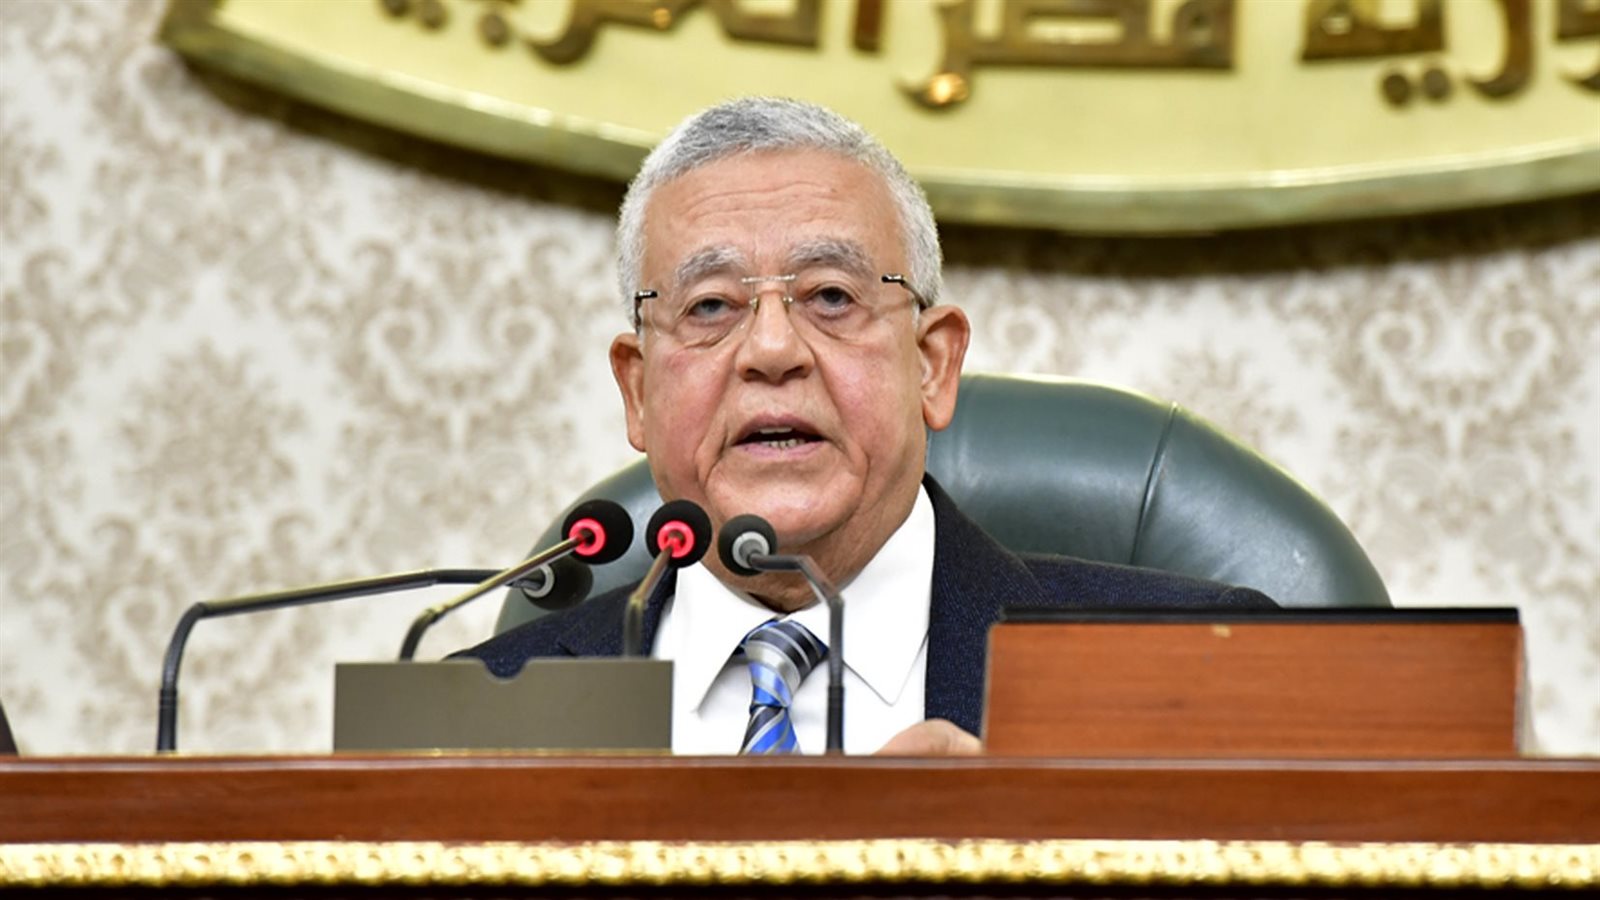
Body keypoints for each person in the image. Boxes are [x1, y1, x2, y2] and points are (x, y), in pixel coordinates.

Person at [459, 97, 1274, 755]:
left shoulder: (1201, 672)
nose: (772, 351)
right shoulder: (479, 716)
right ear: (638, 392)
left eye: (831, 296)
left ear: (932, 365)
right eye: (709, 306)